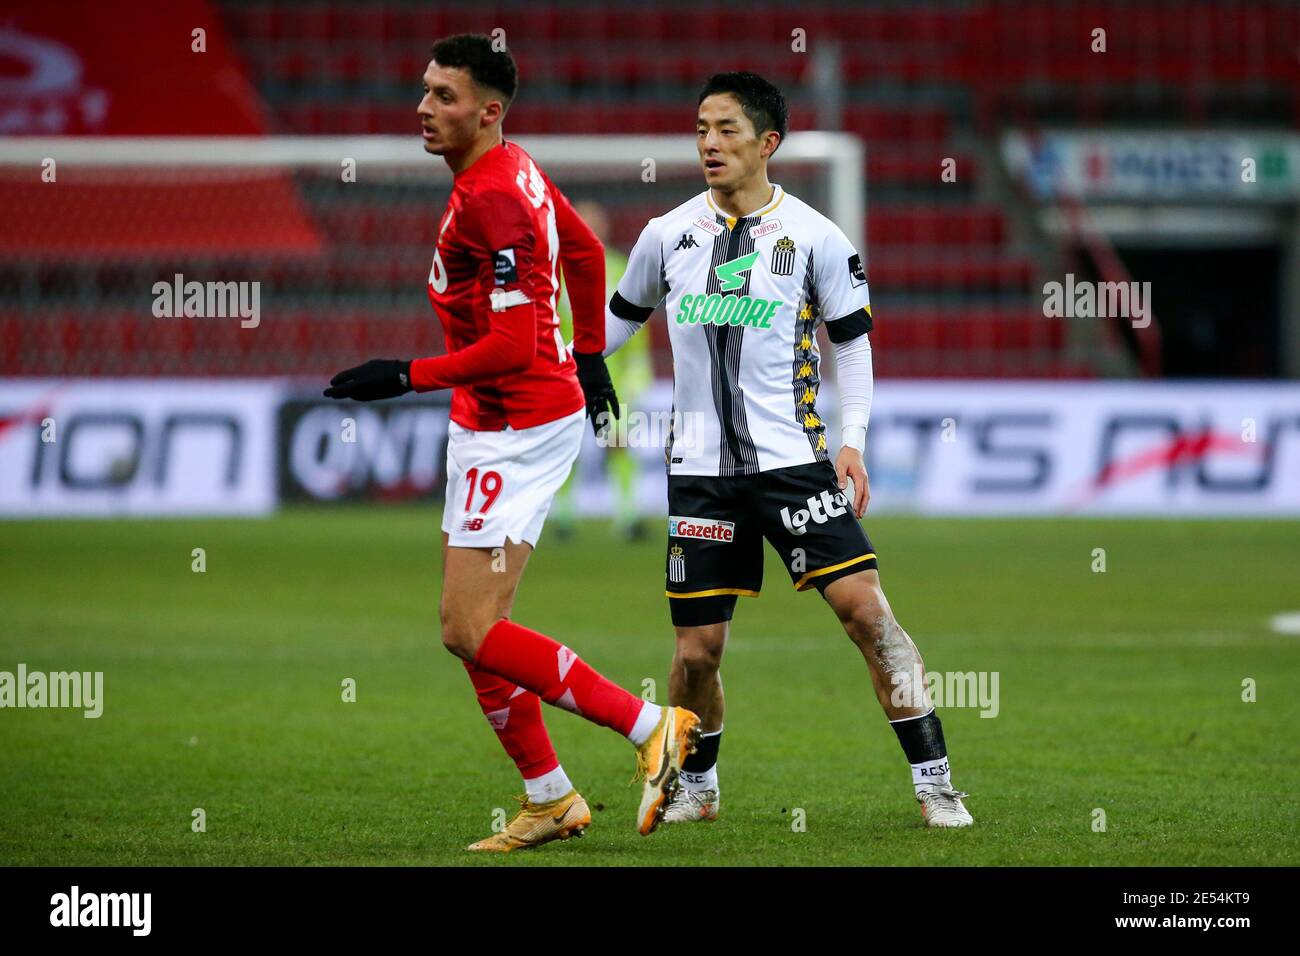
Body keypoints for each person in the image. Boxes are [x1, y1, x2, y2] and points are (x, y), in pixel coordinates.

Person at [323, 34, 699, 851]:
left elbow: (516, 346)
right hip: (500, 419)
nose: (424, 108)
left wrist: (403, 374)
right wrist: (594, 357)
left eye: (444, 97)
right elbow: (590, 253)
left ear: (488, 113)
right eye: (424, 91)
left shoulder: (492, 196)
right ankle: (550, 797)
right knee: (475, 624)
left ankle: (649, 727)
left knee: (469, 627)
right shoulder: (512, 167)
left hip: (513, 425)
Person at [600, 72, 973, 828]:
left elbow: (853, 347)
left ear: (768, 143)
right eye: (702, 126)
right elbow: (618, 323)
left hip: (795, 464)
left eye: (728, 128)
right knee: (697, 652)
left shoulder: (816, 237)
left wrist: (853, 441)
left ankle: (936, 783)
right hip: (700, 472)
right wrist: (572, 369)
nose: (709, 142)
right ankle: (699, 789)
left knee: (868, 616)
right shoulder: (665, 235)